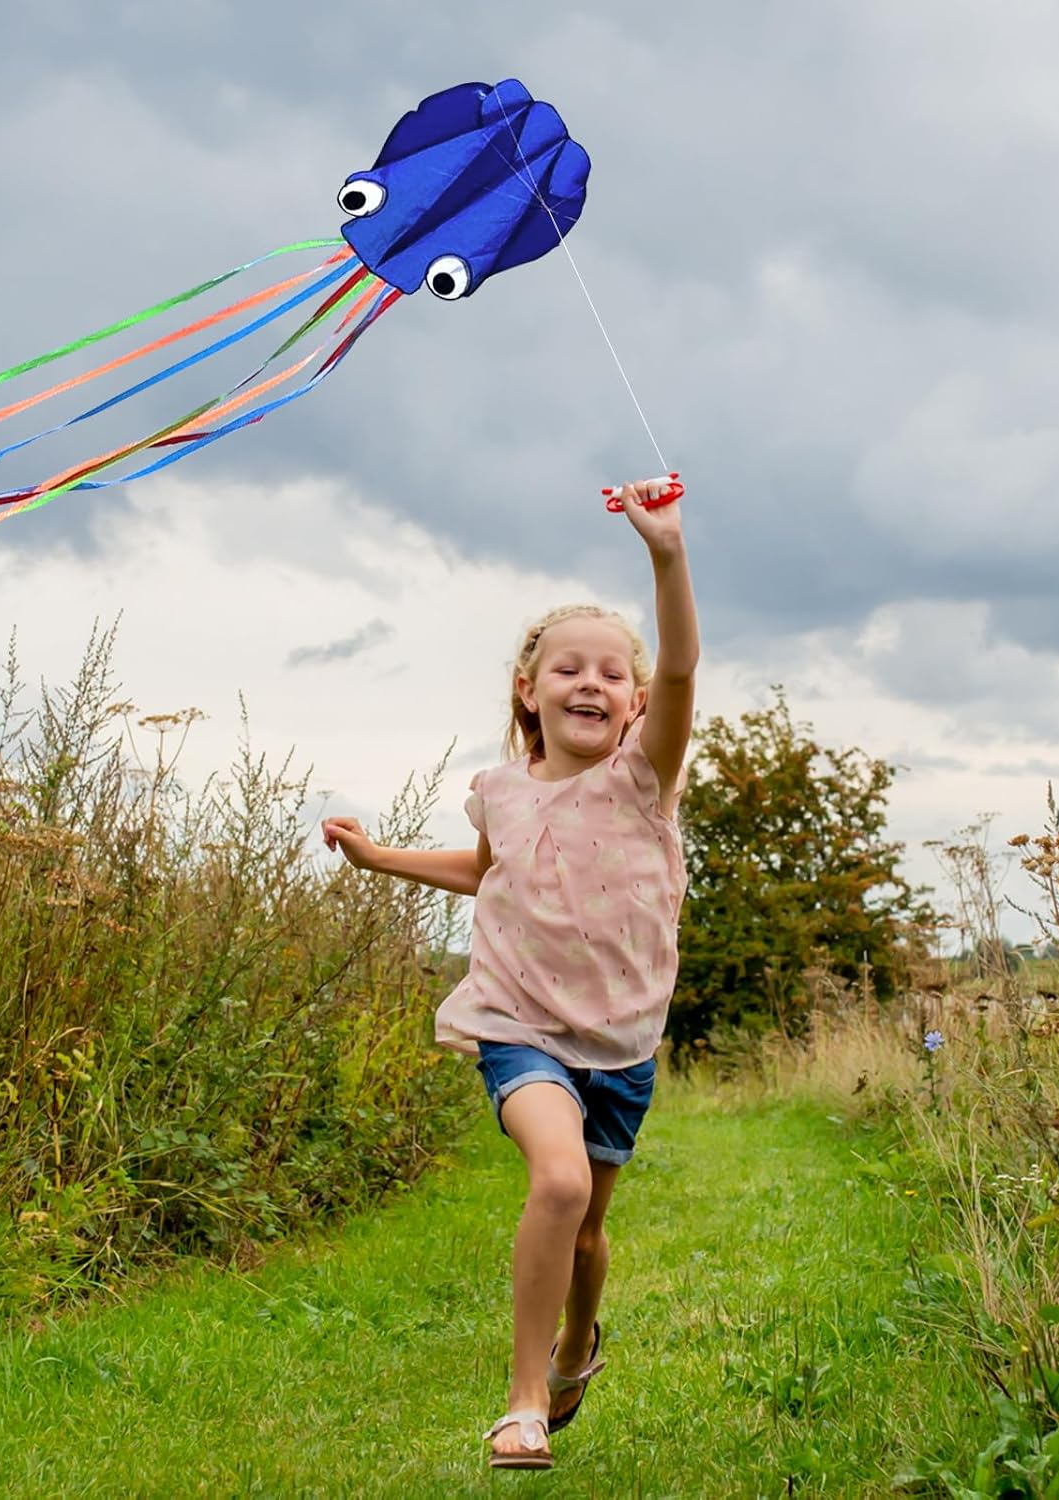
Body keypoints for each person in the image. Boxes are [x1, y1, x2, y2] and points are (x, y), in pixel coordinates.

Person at [322, 475, 699, 1471]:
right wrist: (380, 858)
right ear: (528, 691)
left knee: (587, 1233)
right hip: (518, 1022)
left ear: (635, 704)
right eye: (567, 668)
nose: (591, 683)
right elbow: (489, 872)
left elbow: (682, 669)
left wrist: (666, 553)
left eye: (612, 674)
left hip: (622, 1039)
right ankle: (524, 1403)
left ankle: (577, 1346)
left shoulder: (644, 781)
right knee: (559, 1181)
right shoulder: (501, 791)